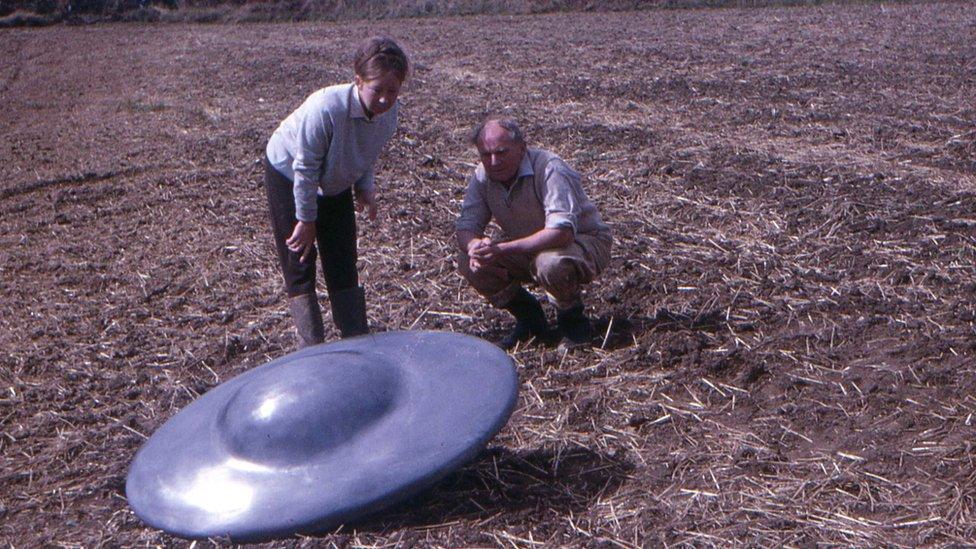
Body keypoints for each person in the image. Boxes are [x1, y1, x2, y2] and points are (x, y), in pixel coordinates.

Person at [263, 37, 408, 348]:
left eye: (392, 91)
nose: (384, 99)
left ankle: (354, 340)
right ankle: (311, 345)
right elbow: (305, 168)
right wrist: (306, 219)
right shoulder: (326, 108)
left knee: (342, 256)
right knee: (300, 255)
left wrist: (365, 187)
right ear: (358, 81)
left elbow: (366, 151)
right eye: (377, 89)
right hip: (290, 171)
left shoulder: (389, 116)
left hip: (333, 178)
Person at [455, 118, 613, 351]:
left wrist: (502, 249)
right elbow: (466, 225)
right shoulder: (483, 175)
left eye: (501, 152)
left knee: (550, 263)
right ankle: (530, 320)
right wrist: (474, 247)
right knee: (468, 262)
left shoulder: (550, 168)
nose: (494, 161)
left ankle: (574, 325)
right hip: (530, 247)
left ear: (521, 148)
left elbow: (562, 233)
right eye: (486, 155)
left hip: (583, 243)